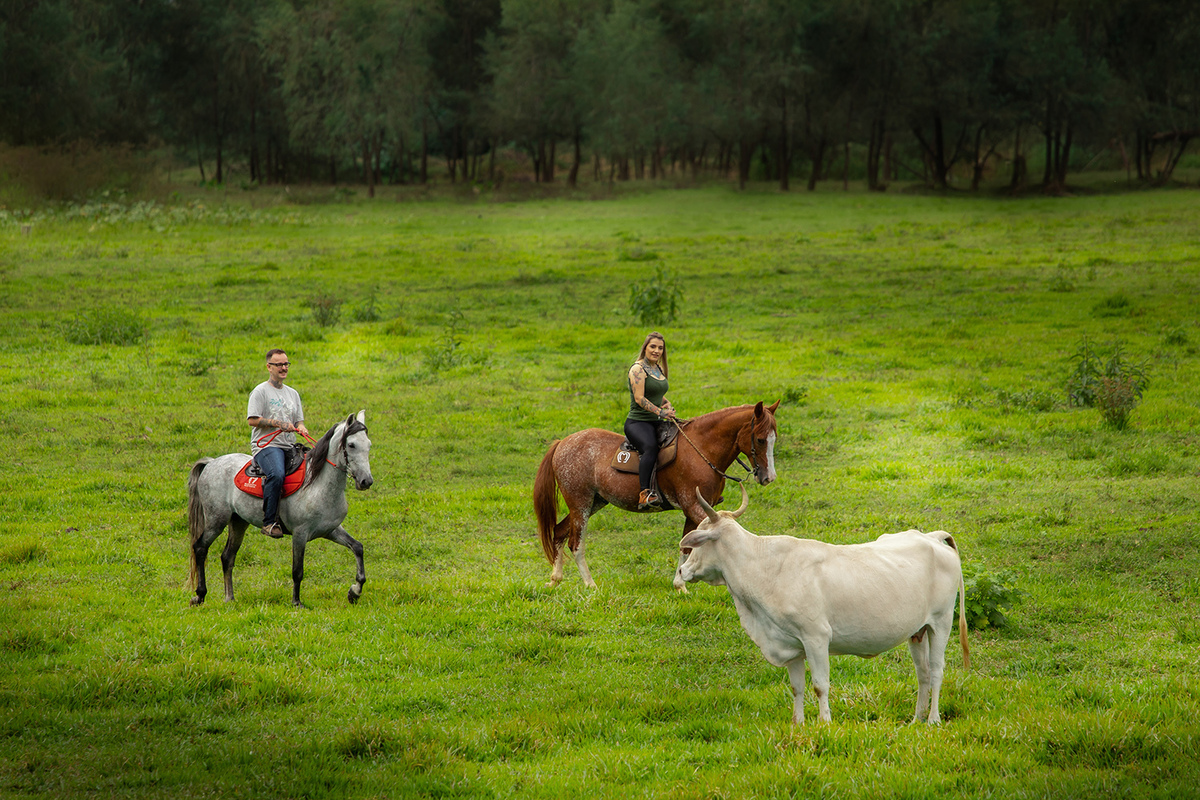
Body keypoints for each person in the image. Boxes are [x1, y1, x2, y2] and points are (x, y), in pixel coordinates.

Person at [246, 349, 310, 538]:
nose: (284, 368)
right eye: (279, 364)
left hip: (289, 445)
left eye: (286, 364)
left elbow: (299, 421)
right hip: (266, 445)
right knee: (276, 474)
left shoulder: (293, 394)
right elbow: (252, 420)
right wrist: (278, 424)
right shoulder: (260, 391)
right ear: (269, 367)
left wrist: (301, 427)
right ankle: (269, 522)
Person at [624, 331, 676, 510]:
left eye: (660, 348)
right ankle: (644, 493)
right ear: (645, 347)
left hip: (656, 420)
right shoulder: (638, 369)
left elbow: (655, 393)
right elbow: (639, 398)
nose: (656, 351)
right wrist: (661, 412)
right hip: (638, 422)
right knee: (650, 448)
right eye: (653, 346)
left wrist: (666, 403)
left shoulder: (657, 368)